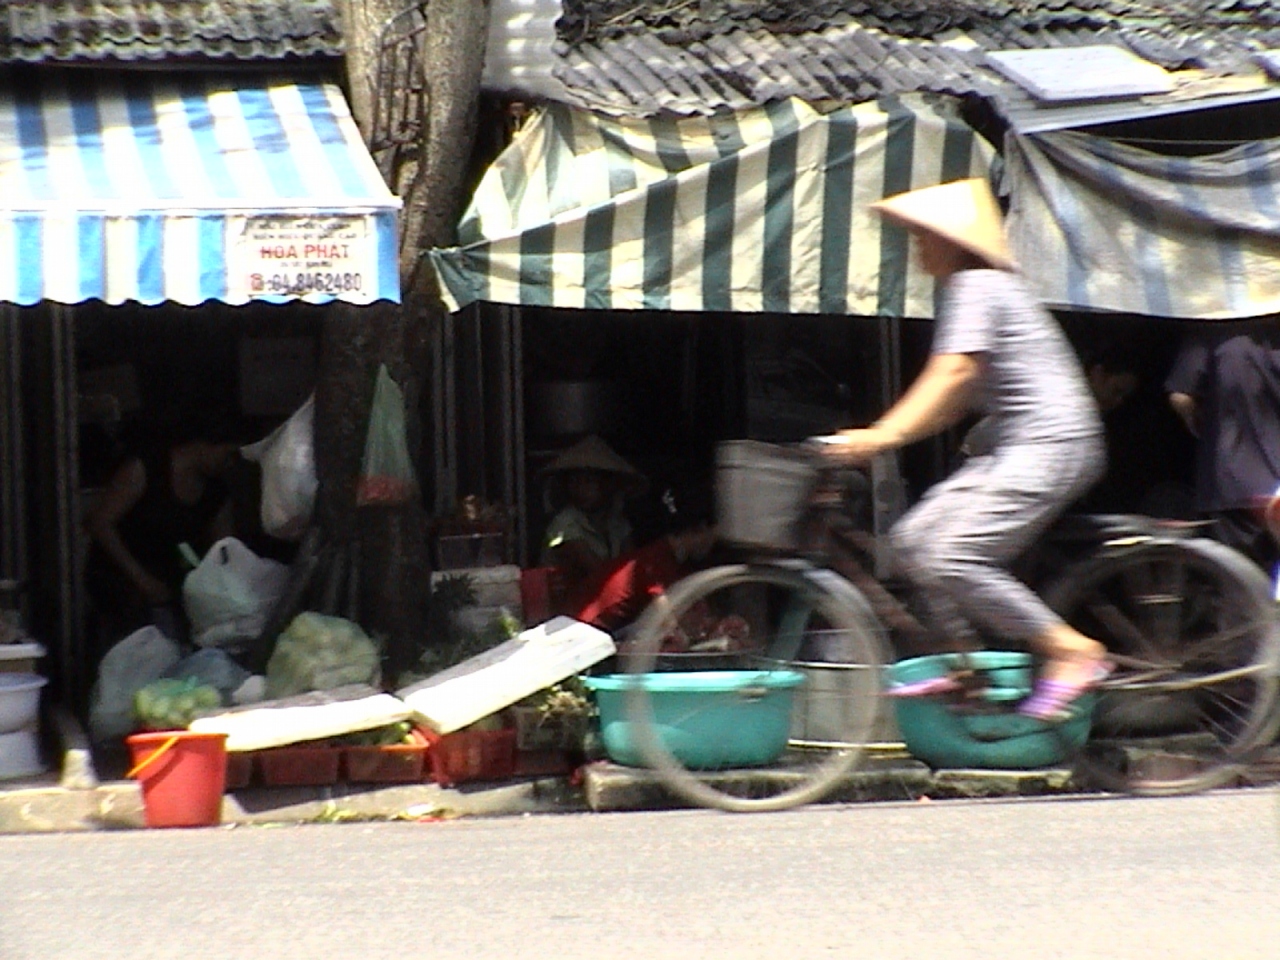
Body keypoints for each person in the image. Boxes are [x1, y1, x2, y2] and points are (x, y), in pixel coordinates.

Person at [821, 177, 1111, 721]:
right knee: (911, 540)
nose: (917, 247)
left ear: (953, 240)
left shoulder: (977, 285)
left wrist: (882, 435)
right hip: (1018, 446)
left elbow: (953, 374)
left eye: (923, 236)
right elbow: (953, 401)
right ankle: (964, 666)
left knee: (951, 553)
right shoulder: (975, 289)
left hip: (1050, 444)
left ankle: (1071, 649)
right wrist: (890, 433)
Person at [85, 415, 241, 647]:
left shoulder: (216, 492)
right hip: (121, 572)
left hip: (171, 575)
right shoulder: (145, 469)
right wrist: (142, 579)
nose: (230, 464)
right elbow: (100, 523)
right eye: (228, 454)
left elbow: (223, 547)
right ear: (203, 445)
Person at [539, 435, 716, 634]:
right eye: (575, 483)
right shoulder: (564, 523)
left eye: (589, 482)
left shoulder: (617, 523)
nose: (581, 489)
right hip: (571, 613)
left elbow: (631, 566)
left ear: (607, 485)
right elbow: (603, 572)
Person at [1165, 326, 1280, 574]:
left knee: (1242, 578)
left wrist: (1199, 424)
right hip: (1274, 487)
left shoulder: (1213, 327)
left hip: (1231, 481)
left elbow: (1181, 395)